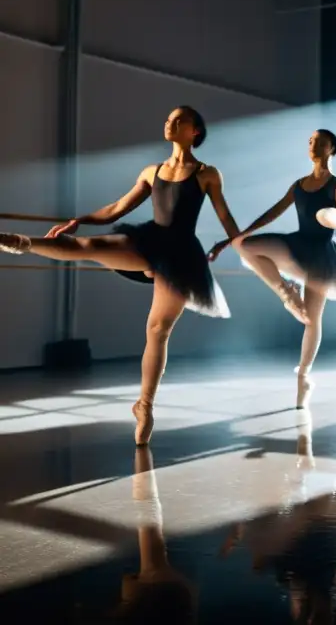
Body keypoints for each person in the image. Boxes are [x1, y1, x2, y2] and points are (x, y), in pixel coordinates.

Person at [0, 106, 240, 445]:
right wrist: (80, 218)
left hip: (182, 255)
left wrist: (235, 242)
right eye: (167, 117)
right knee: (88, 245)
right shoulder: (152, 171)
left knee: (157, 331)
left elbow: (226, 216)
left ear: (195, 132)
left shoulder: (207, 173)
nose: (169, 122)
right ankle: (21, 242)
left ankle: (144, 407)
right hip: (149, 241)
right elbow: (117, 208)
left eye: (178, 120)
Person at [208, 129, 336, 409]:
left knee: (311, 319)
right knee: (244, 245)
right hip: (297, 245)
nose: (313, 145)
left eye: (320, 142)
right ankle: (287, 294)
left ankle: (304, 376)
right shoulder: (298, 185)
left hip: (322, 255)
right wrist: (231, 238)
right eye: (310, 141)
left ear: (331, 148)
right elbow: (273, 212)